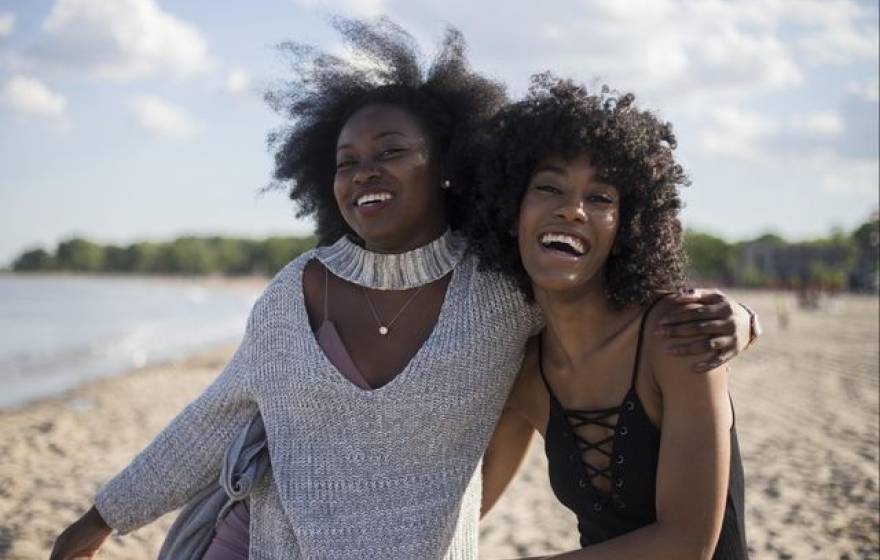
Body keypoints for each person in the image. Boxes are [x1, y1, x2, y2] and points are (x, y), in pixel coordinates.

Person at [49, 20, 756, 560]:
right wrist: (101, 518)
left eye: (392, 152)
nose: (366, 173)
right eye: (347, 161)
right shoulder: (294, 292)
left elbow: (597, 309)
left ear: (447, 168)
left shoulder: (502, 296)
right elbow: (216, 416)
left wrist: (742, 317)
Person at [471, 75, 750, 559]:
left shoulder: (675, 336)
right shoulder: (526, 372)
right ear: (510, 211)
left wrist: (746, 318)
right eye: (548, 187)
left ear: (627, 226)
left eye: (600, 198)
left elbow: (686, 545)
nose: (573, 210)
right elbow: (463, 508)